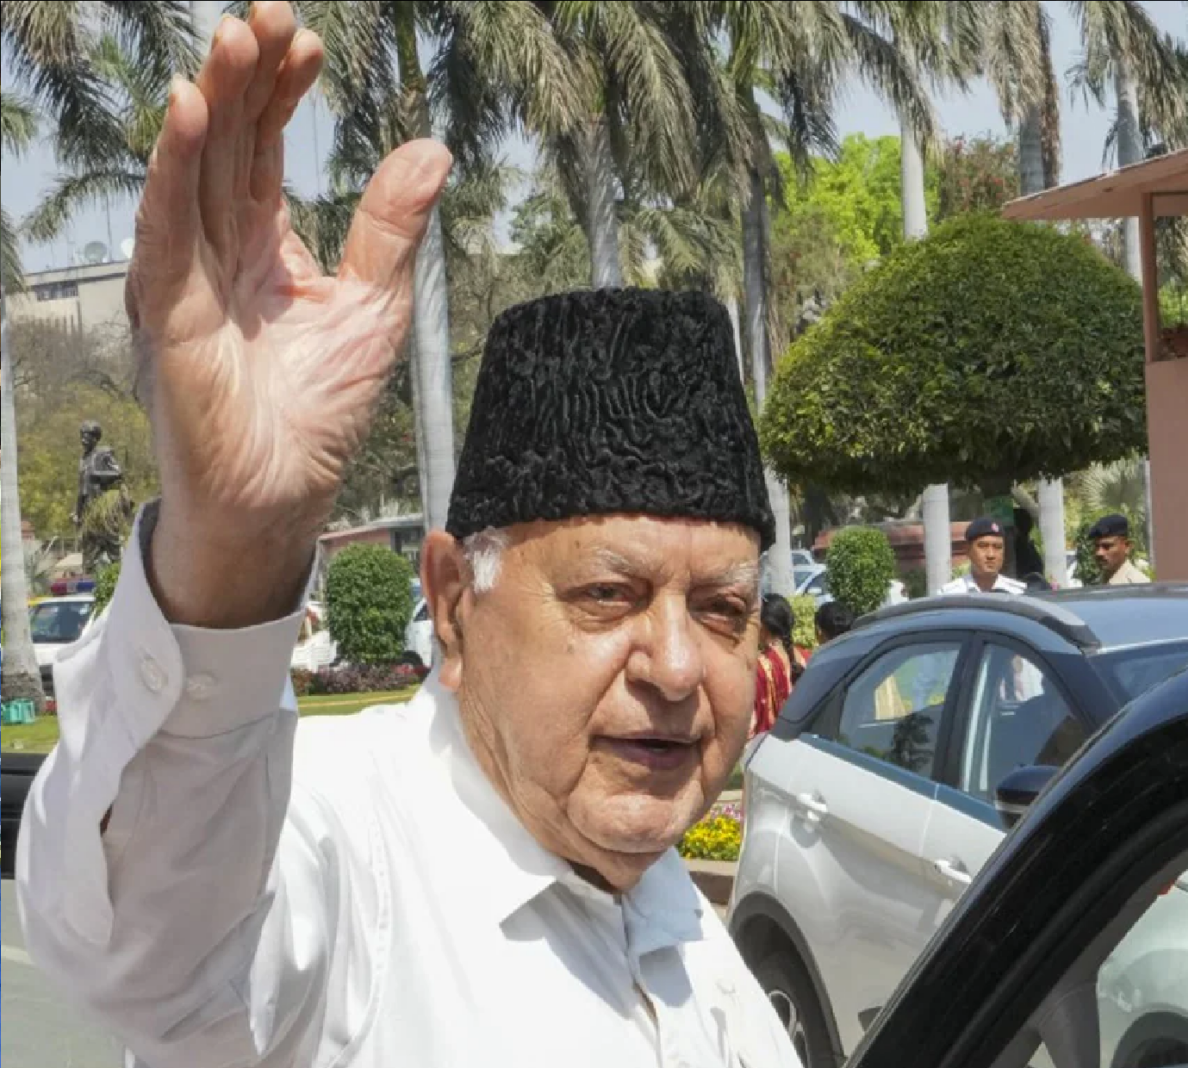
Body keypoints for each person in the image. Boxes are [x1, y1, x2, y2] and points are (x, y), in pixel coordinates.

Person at [15, 6, 800, 1065]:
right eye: (607, 596)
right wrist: (232, 555)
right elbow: (144, 950)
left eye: (722, 610)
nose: (675, 666)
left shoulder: (692, 940)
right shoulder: (340, 856)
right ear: (453, 604)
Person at [754, 594, 807, 736]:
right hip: (803, 738)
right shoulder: (805, 657)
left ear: (762, 625)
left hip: (771, 741)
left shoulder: (760, 667)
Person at [941, 517, 1027, 595]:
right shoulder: (950, 595)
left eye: (998, 547)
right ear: (968, 550)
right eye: (983, 546)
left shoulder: (1018, 593)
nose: (991, 555)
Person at [1088, 514, 1150, 586]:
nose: (1099, 553)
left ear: (1127, 547)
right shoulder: (1097, 582)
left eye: (1107, 546)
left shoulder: (1139, 585)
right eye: (1096, 546)